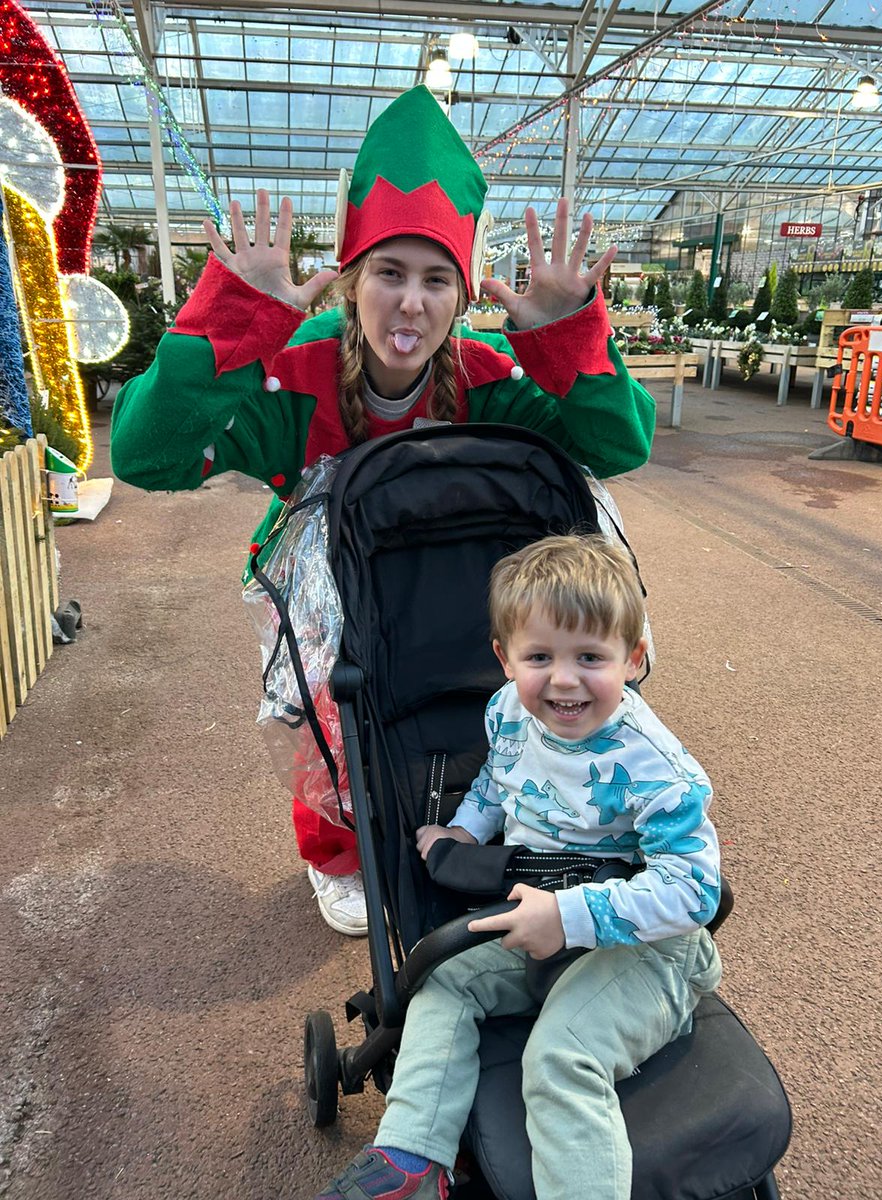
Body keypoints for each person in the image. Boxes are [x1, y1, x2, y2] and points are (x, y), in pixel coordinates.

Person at [109, 86, 656, 938]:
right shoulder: (295, 376)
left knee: (485, 690)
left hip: (453, 583)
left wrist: (570, 337)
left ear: (461, 293)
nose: (411, 303)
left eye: (437, 279)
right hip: (331, 596)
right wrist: (234, 321)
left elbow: (616, 447)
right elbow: (148, 456)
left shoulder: (485, 376)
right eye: (390, 274)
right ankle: (335, 850)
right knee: (333, 705)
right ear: (354, 281)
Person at [314, 535, 722, 1200]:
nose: (564, 679)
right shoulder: (508, 712)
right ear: (505, 659)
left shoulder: (653, 766)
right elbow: (501, 784)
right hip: (539, 921)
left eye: (590, 657)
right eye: (540, 657)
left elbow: (696, 890)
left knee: (559, 1057)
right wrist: (465, 830)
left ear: (634, 657)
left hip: (647, 948)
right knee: (439, 979)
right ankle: (414, 1159)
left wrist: (567, 916)